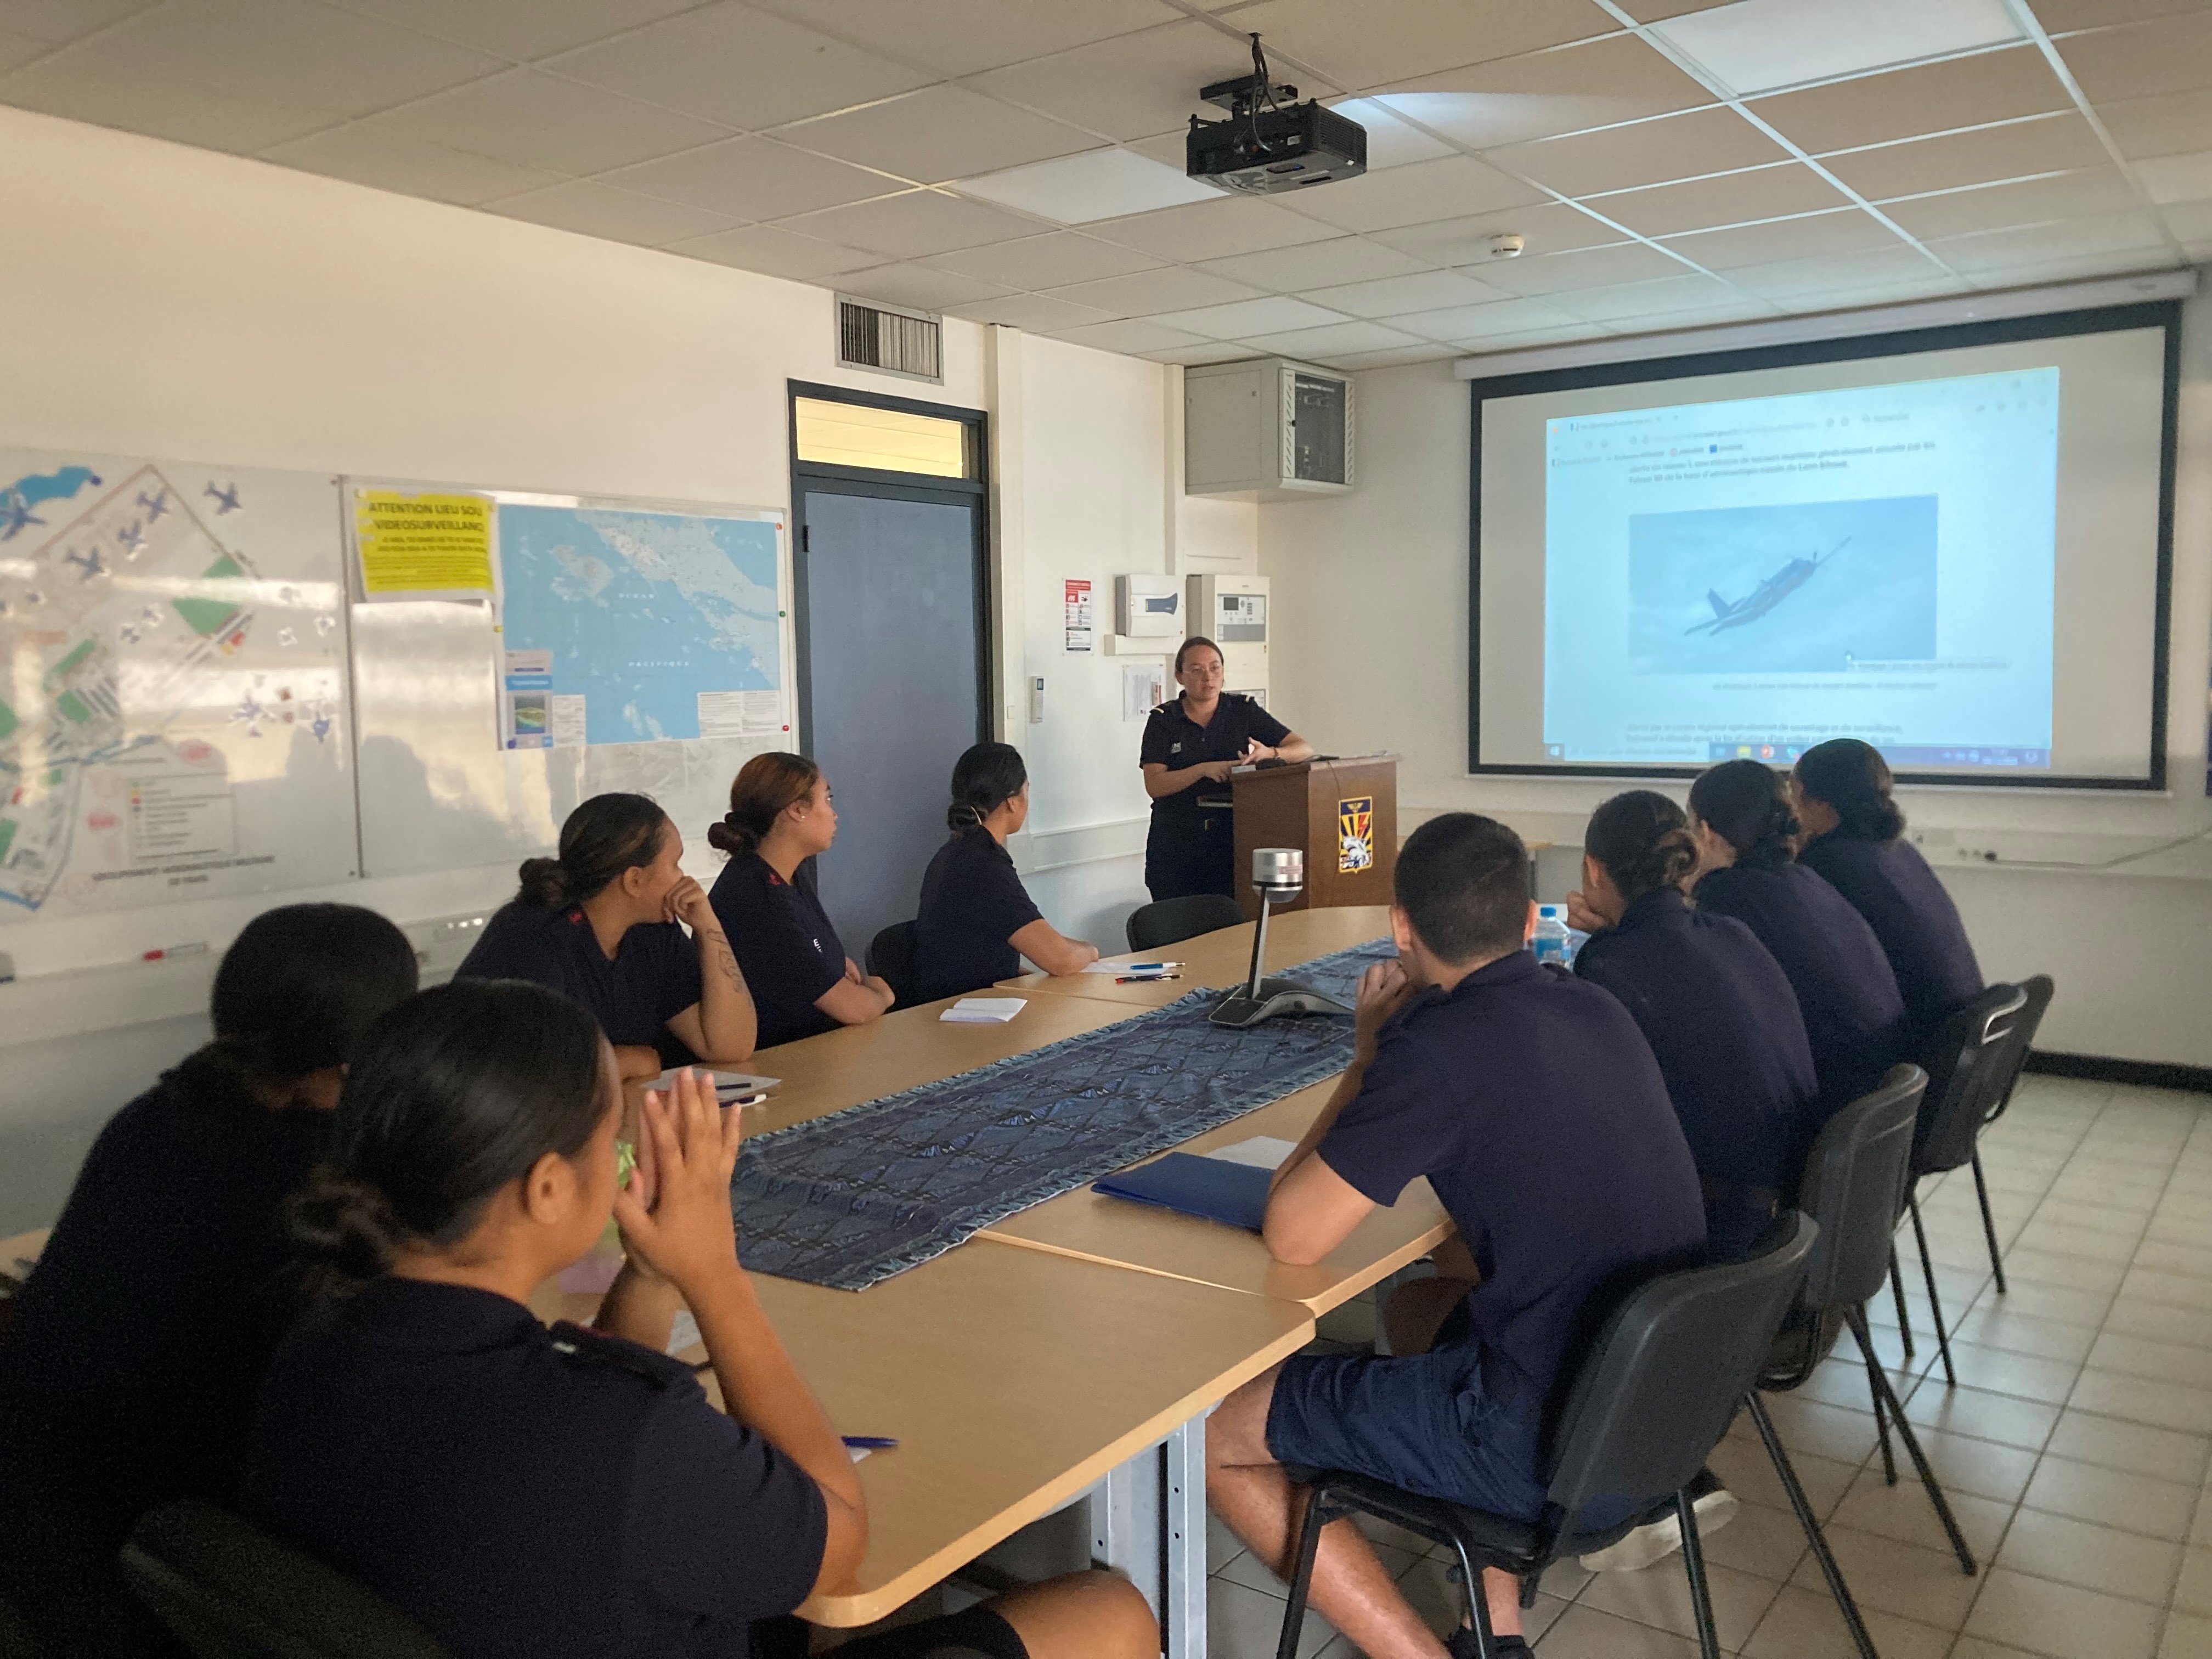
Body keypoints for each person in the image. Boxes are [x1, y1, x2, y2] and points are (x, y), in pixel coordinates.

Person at [244, 980, 1155, 1659]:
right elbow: (839, 1537)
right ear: (551, 1186)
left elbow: (582, 1407)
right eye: (611, 1133)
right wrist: (714, 1274)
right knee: (1108, 1613)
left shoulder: (309, 1348)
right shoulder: (627, 1439)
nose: (627, 1147)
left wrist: (651, 1276)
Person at [1205, 814, 1706, 1659]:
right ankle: (1492, 1634)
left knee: (1216, 1433)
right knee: (1424, 1310)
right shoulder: (1595, 1004)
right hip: (1662, 1418)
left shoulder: (1436, 1048)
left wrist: (1368, 1060)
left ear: (1402, 929)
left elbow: (1293, 1234)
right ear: (1527, 919)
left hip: (1544, 1444)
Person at [0, 904, 418, 1658]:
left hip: (43, 1505)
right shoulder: (322, 1178)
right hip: (153, 1559)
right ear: (365, 1052)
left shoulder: (156, 1112)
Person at [1567, 791, 1821, 1260]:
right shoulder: (1730, 931)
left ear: (1594, 869)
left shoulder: (1611, 964)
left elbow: (1597, 1110)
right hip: (1793, 1202)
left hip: (1719, 1218)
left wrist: (1604, 946)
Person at [456, 792, 756, 1082]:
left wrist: (709, 927)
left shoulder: (652, 931)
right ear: (634, 881)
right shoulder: (533, 937)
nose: (684, 878)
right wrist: (627, 1061)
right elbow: (530, 1079)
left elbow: (731, 1047)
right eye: (675, 864)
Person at [1687, 759, 1907, 1114]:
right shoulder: (1805, 879)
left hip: (1831, 1110)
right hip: (1882, 1105)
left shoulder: (1730, 895)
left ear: (1707, 833)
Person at [1792, 738, 1984, 1045]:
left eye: (1794, 795)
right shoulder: (1899, 851)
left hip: (1918, 1049)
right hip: (1961, 1040)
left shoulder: (1827, 864)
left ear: (1816, 801)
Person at [708, 752, 891, 1048]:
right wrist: (882, 991)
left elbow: (824, 963)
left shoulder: (789, 874)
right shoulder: (756, 897)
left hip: (820, 1046)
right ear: (797, 810)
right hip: (781, 1059)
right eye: (827, 800)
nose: (834, 814)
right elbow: (854, 1008)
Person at [915, 742, 1099, 1001]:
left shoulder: (955, 852)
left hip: (966, 1003)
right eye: (1027, 791)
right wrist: (1090, 951)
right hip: (970, 1015)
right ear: (1013, 801)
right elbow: (1061, 960)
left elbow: (986, 952)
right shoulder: (983, 865)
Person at [1139, 636, 1313, 901]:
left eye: (1215, 668)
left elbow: (1303, 749)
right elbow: (1154, 785)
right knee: (1181, 930)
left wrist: (1271, 753)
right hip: (1178, 844)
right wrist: (1202, 769)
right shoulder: (1164, 721)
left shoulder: (1242, 711)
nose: (1207, 677)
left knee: (1230, 927)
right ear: (1180, 676)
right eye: (1196, 670)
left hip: (1232, 840)